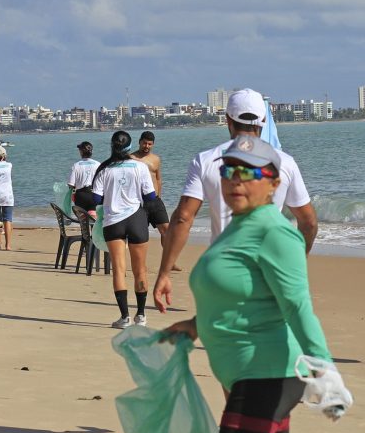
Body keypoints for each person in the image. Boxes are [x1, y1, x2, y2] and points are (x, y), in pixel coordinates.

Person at [164, 135, 333, 433]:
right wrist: (195, 327)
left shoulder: (273, 231)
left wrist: (324, 370)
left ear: (273, 182)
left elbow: (298, 304)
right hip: (251, 372)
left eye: (249, 172)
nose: (236, 180)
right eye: (229, 171)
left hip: (267, 374)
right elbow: (243, 298)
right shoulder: (241, 226)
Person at [153, 88, 317, 313]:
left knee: (226, 341)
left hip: (223, 272)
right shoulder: (284, 162)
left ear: (227, 120)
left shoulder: (206, 160)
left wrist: (164, 273)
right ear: (264, 120)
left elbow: (183, 218)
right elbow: (308, 222)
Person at [90, 131, 157, 328]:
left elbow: (96, 199)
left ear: (112, 146)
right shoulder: (140, 166)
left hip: (113, 221)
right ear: (130, 146)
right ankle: (142, 315)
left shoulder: (104, 169)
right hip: (136, 219)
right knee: (140, 269)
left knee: (119, 270)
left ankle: (124, 317)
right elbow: (151, 196)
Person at [131, 130, 178, 269]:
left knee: (167, 231)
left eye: (149, 144)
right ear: (139, 142)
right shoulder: (131, 158)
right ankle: (140, 264)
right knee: (140, 235)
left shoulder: (156, 159)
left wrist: (159, 196)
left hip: (155, 201)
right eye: (144, 143)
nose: (146, 146)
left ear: (153, 144)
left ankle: (170, 262)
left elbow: (158, 178)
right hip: (139, 202)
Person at [68, 141, 100, 211]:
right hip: (94, 195)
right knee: (93, 217)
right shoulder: (98, 164)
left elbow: (71, 184)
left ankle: (84, 221)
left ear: (81, 152)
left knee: (83, 219)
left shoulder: (76, 165)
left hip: (81, 196)